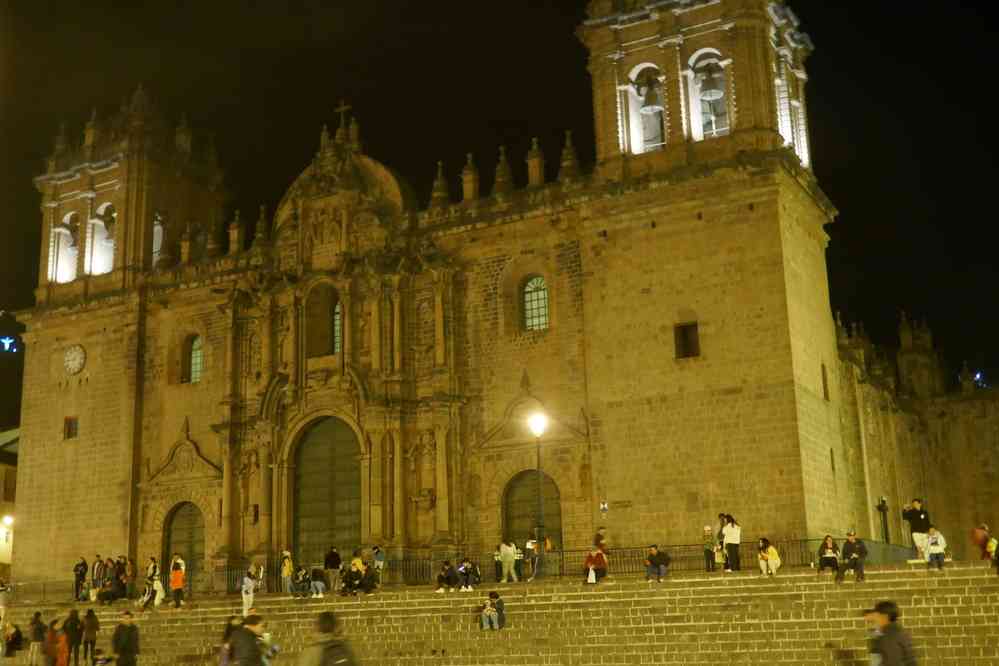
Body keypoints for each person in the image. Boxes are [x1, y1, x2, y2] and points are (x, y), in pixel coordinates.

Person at [867, 601, 917, 666]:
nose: (875, 619)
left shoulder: (888, 636)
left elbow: (892, 662)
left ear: (884, 616)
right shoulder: (899, 631)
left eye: (877, 615)